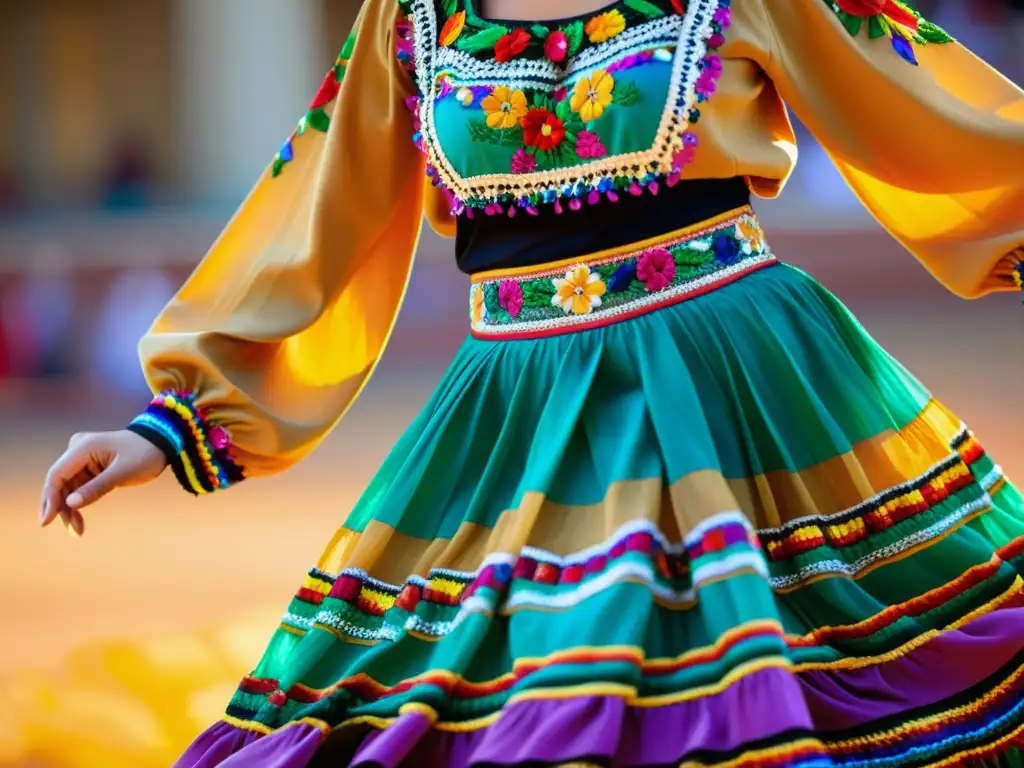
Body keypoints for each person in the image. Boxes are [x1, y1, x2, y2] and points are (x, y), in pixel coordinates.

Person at [39, 0, 1024, 764]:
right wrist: (171, 421)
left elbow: (918, 102)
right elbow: (312, 211)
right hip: (520, 429)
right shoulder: (413, 16)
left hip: (737, 398)